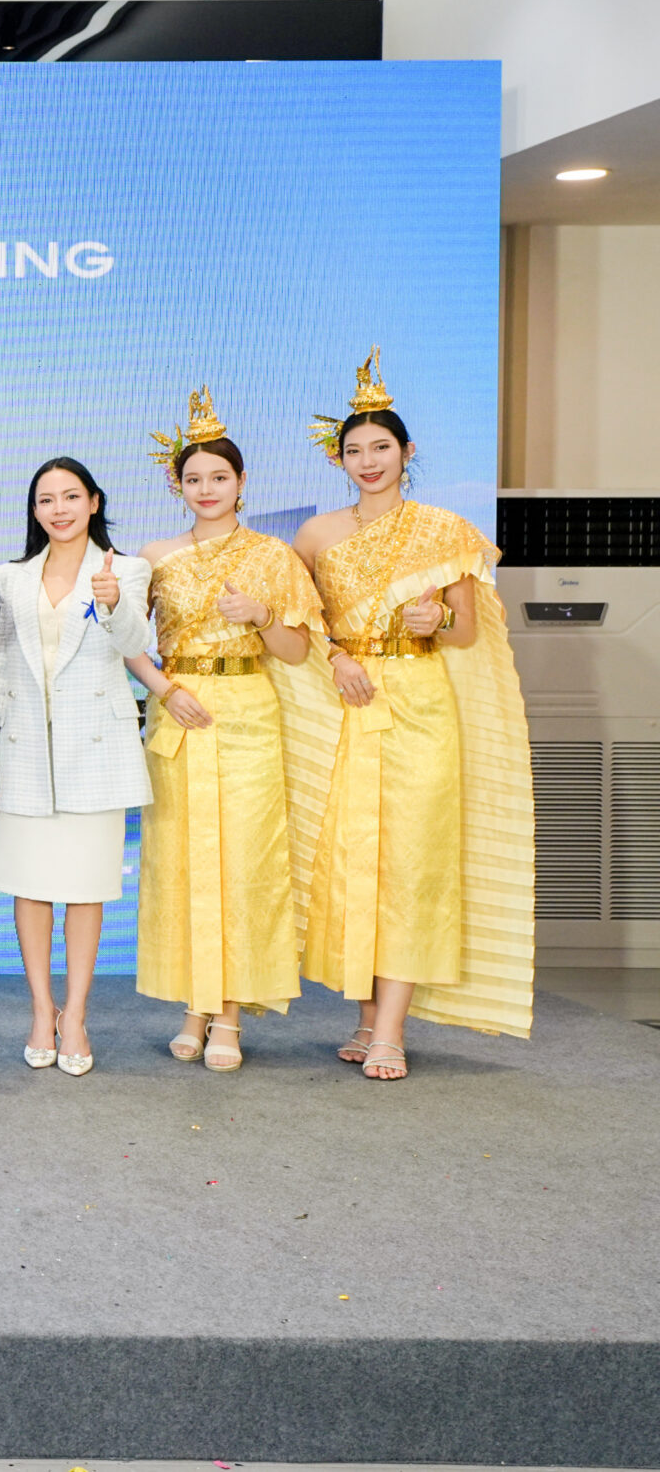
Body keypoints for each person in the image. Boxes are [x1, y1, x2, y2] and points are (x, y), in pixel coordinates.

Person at [290, 351, 535, 1080]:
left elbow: (466, 630)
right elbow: (304, 625)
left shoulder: (444, 530)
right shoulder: (316, 535)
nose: (368, 462)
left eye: (381, 448)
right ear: (338, 458)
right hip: (349, 703)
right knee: (354, 863)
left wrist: (437, 620)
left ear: (407, 451)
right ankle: (369, 1015)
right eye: (355, 451)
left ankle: (391, 1029)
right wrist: (337, 656)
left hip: (422, 708)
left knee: (412, 861)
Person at [121, 393, 324, 1073]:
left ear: (241, 482)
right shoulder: (155, 556)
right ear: (176, 485)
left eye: (219, 477)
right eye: (193, 478)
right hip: (178, 709)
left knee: (244, 862)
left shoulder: (273, 554)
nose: (206, 489)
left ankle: (228, 1012)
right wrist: (167, 691)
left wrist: (261, 615)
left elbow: (296, 649)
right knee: (182, 861)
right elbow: (127, 641)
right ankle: (194, 1007)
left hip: (247, 713)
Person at [0, 457, 152, 1077]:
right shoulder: (11, 576)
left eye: (71, 496)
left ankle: (75, 1015)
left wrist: (114, 603)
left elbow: (135, 645)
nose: (59, 509)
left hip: (95, 751)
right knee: (30, 885)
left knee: (84, 888)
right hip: (23, 751)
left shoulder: (126, 569)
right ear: (34, 510)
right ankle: (40, 1010)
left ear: (94, 502)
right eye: (46, 500)